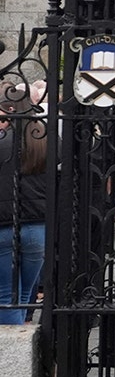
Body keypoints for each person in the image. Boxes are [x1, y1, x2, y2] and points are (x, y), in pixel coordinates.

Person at [0, 105, 47, 325]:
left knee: (8, 294)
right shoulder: (45, 140)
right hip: (37, 225)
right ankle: (26, 345)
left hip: (5, 223)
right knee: (27, 292)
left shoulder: (4, 142)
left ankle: (11, 356)